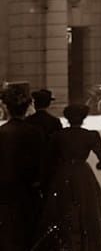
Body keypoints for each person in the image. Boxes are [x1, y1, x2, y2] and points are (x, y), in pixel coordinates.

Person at [42, 104, 101, 250]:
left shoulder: (58, 135)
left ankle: (68, 242)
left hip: (64, 172)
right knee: (89, 205)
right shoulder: (90, 135)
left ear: (67, 118)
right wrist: (100, 164)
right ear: (83, 118)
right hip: (82, 172)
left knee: (64, 205)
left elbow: (49, 157)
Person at [0, 84, 46, 251]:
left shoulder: (1, 132)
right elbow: (40, 163)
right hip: (28, 192)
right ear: (27, 107)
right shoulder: (35, 132)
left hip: (4, 192)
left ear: (7, 107)